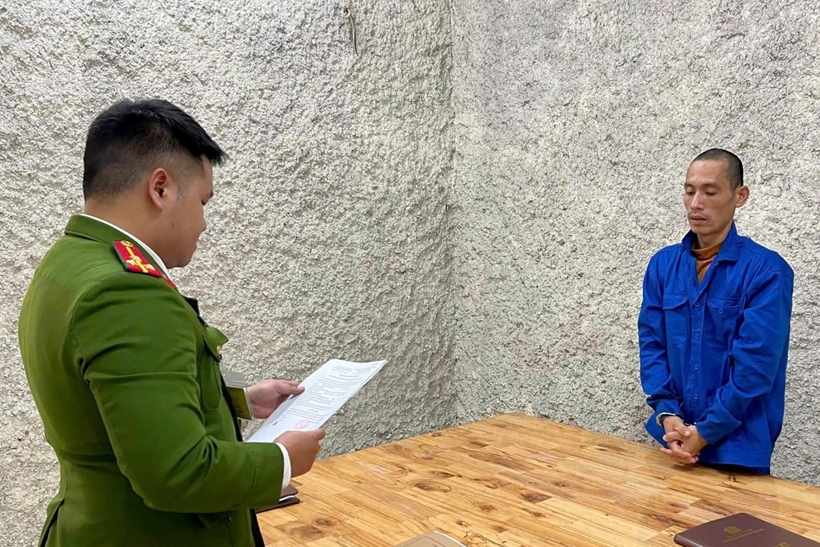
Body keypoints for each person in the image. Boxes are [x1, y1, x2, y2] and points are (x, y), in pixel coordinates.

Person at [18, 99, 325, 547]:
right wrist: (281, 460)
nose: (204, 223)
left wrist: (236, 400)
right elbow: (176, 473)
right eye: (202, 201)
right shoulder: (126, 291)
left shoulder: (68, 262)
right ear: (160, 188)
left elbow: (112, 408)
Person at [638, 148, 793, 474]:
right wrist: (667, 415)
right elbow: (652, 344)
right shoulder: (663, 266)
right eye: (689, 191)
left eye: (710, 192)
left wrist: (706, 431)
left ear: (740, 196)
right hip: (673, 441)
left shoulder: (766, 271)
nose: (696, 203)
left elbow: (756, 366)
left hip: (738, 450)